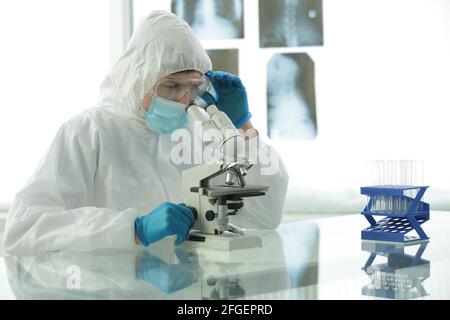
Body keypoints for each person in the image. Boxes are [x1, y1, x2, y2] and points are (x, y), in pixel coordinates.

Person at [2, 10, 289, 256]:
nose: (183, 100)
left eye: (192, 88)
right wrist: (132, 230)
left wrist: (243, 127)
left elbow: (265, 216)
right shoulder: (90, 131)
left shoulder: (196, 132)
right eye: (172, 87)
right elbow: (24, 232)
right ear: (140, 80)